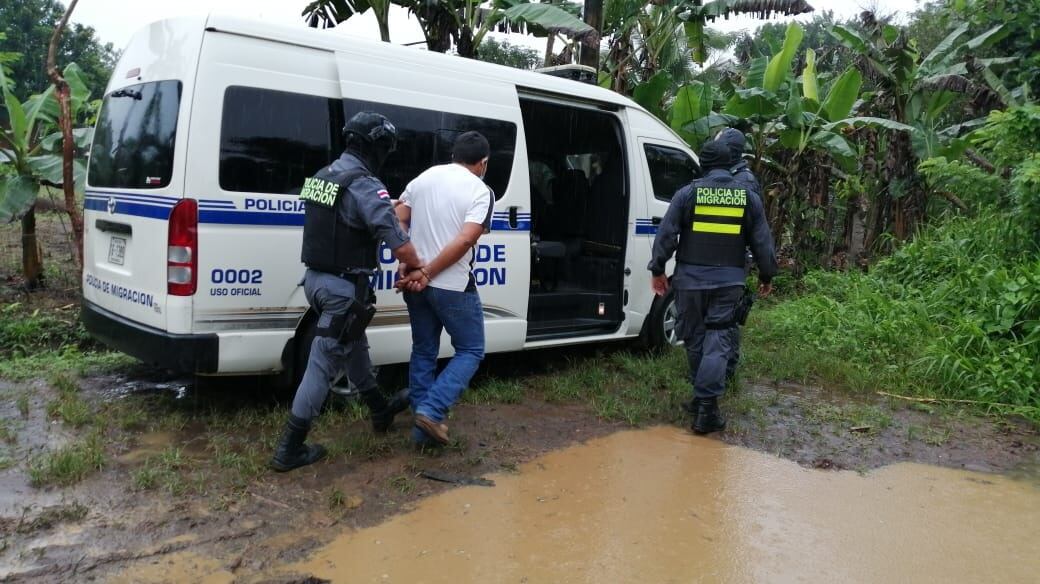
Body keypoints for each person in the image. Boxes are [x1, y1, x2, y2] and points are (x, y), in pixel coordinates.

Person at [270, 111, 423, 472]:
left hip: (315, 280)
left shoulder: (323, 176)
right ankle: (289, 448)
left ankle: (378, 409)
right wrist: (418, 265)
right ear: (376, 147)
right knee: (322, 364)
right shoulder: (365, 184)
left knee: (354, 345)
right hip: (343, 289)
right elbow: (397, 240)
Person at [647, 141, 778, 435]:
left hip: (690, 282)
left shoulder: (687, 194)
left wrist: (657, 269)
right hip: (728, 283)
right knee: (717, 341)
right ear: (731, 164)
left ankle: (702, 401)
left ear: (704, 165)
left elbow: (666, 235)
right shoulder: (748, 198)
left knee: (694, 339)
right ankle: (706, 407)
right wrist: (766, 275)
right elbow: (762, 242)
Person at [394, 132, 494, 446]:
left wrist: (407, 259)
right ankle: (432, 410)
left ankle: (420, 430)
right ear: (483, 163)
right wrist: (428, 271)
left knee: (424, 350)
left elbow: (397, 217)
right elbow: (466, 240)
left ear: (454, 155)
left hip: (415, 284)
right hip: (451, 286)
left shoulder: (424, 178)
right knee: (471, 349)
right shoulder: (481, 190)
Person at [715, 128, 762, 382]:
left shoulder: (744, 181)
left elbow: (753, 226)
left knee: (728, 316)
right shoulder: (730, 175)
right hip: (721, 256)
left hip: (734, 257)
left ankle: (728, 370)